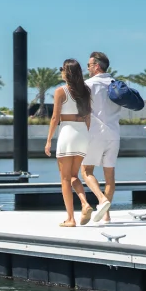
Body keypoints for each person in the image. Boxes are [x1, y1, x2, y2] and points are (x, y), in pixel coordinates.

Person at [45, 58, 94, 227]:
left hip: (67, 133)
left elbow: (54, 118)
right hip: (82, 134)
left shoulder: (61, 91)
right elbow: (88, 117)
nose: (60, 72)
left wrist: (49, 140)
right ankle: (85, 203)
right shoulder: (86, 91)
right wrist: (87, 137)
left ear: (67, 72)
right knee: (74, 176)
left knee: (65, 179)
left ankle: (71, 219)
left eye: (62, 69)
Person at [82, 51, 121, 223]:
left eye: (89, 65)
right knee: (110, 176)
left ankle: (101, 199)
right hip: (114, 134)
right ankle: (106, 215)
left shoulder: (88, 85)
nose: (88, 68)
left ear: (97, 66)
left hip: (94, 134)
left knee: (86, 170)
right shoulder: (117, 84)